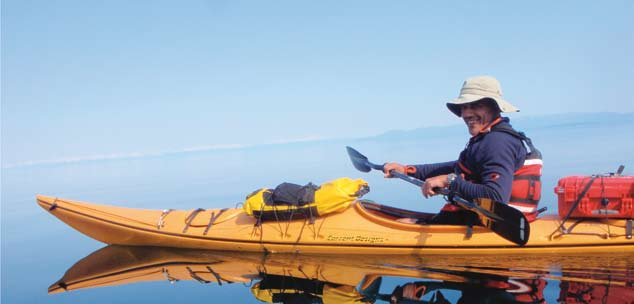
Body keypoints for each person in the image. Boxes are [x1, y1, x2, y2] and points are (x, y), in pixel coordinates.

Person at [384, 76, 542, 224]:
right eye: (464, 107)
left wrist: (450, 181)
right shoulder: (491, 137)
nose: (466, 113)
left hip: (497, 225)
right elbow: (460, 166)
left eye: (476, 105)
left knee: (401, 223)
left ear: (495, 107)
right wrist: (407, 170)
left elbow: (496, 197)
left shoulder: (497, 142)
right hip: (486, 220)